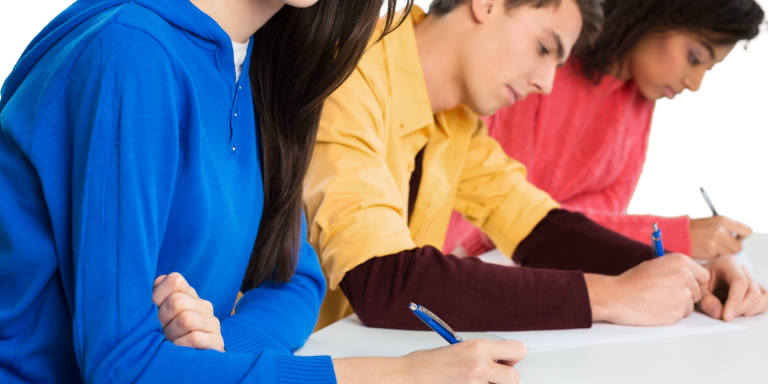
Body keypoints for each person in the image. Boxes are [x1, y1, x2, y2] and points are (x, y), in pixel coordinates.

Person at [0, 0, 528, 383]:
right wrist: (398, 377)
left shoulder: (255, 64)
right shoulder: (130, 54)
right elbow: (122, 366)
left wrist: (218, 345)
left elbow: (297, 281)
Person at [303, 0, 768, 333]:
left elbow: (537, 225)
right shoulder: (351, 64)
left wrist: (688, 274)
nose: (547, 84)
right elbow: (385, 282)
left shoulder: (455, 117)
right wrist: (610, 297)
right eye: (545, 49)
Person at [446, 0, 763, 267]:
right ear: (652, 15)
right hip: (452, 257)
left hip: (531, 266)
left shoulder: (637, 101)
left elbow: (601, 219)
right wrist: (674, 235)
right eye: (694, 57)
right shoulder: (537, 68)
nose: (694, 83)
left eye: (707, 69)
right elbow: (497, 211)